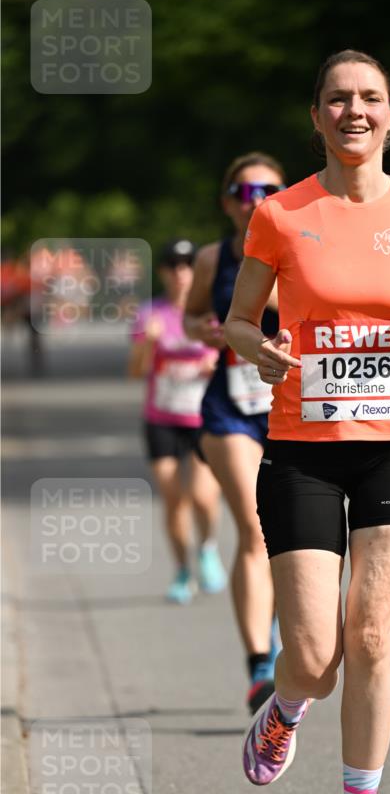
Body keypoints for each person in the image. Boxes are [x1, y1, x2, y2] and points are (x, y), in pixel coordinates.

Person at [224, 50, 390, 794]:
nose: (354, 111)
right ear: (317, 115)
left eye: (370, 99)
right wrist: (257, 350)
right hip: (302, 452)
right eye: (338, 99)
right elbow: (235, 321)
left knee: (369, 635)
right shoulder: (283, 215)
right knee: (316, 659)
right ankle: (284, 703)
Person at [184, 153, 286, 713]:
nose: (257, 200)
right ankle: (259, 666)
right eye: (246, 192)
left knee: (294, 533)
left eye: (270, 189)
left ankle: (292, 640)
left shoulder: (302, 251)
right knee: (253, 524)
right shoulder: (212, 258)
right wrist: (206, 329)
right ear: (228, 201)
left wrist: (261, 303)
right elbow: (191, 317)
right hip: (231, 409)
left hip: (294, 407)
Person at [129, 239, 226, 604]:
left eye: (187, 265)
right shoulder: (149, 314)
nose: (180, 273)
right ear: (163, 272)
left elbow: (237, 358)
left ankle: (208, 545)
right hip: (162, 417)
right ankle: (183, 571)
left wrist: (214, 363)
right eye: (173, 266)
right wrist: (147, 345)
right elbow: (134, 371)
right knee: (173, 499)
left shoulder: (212, 311)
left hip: (203, 416)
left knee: (202, 496)